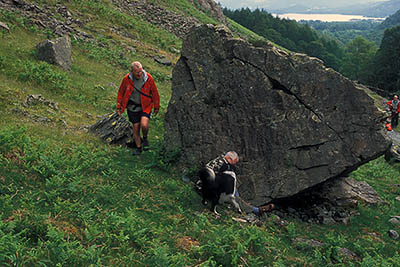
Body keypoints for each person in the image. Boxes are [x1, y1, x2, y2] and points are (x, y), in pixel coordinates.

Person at [200, 151, 274, 215]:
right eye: (233, 162)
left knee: (234, 191)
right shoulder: (221, 164)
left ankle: (244, 203)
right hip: (209, 188)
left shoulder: (223, 162)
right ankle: (257, 210)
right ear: (229, 158)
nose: (234, 164)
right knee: (235, 198)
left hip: (213, 186)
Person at [117, 61, 160, 155]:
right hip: (132, 107)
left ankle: (145, 139)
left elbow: (155, 93)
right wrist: (119, 107)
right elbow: (121, 93)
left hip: (145, 106)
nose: (139, 74)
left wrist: (156, 106)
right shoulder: (126, 79)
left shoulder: (148, 78)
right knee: (136, 128)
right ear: (131, 71)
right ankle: (139, 148)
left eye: (140, 71)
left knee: (144, 125)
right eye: (137, 72)